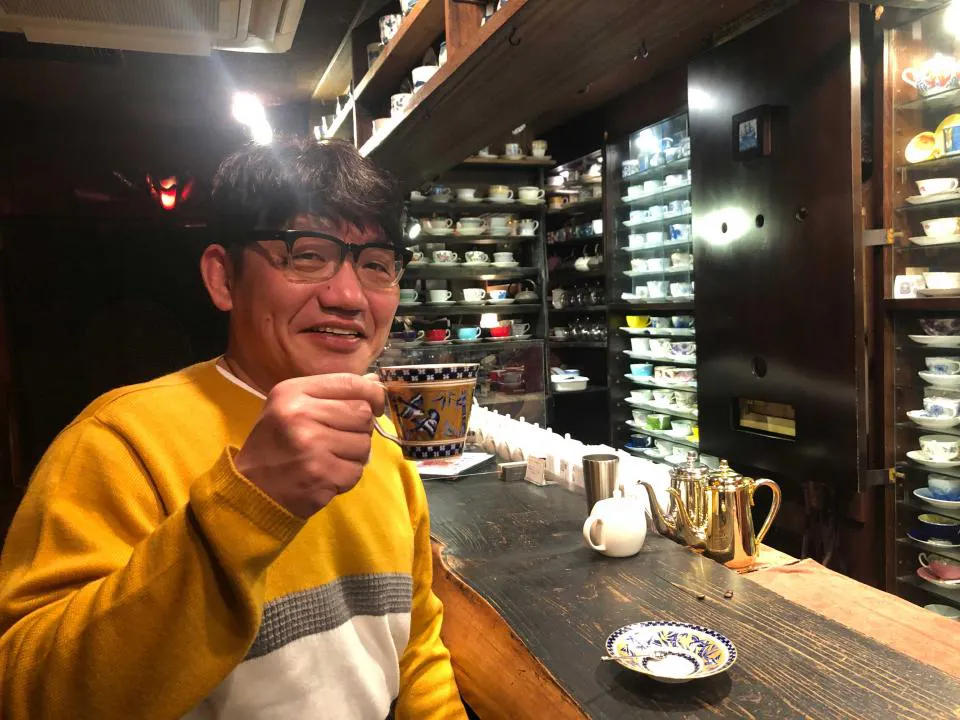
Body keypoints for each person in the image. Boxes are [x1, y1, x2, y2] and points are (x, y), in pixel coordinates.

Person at [0, 137, 467, 719]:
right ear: (223, 278)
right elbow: (29, 695)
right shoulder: (117, 442)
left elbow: (416, 653)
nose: (349, 297)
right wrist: (249, 504)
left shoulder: (385, 454)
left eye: (376, 265)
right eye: (306, 255)